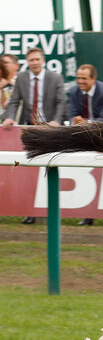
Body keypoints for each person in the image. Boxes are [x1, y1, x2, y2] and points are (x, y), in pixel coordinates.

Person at [3, 48, 67, 224]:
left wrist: (55, 121)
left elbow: (61, 102)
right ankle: (30, 212)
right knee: (28, 172)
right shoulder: (22, 78)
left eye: (37, 59)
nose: (35, 62)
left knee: (48, 169)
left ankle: (51, 211)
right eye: (31, 60)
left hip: (48, 130)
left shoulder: (56, 78)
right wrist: (9, 117)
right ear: (27, 62)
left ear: (43, 60)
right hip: (28, 128)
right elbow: (15, 100)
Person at [68, 64, 103, 227]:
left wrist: (86, 122)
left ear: (93, 79)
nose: (80, 81)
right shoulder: (73, 92)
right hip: (85, 137)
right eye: (78, 78)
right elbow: (71, 114)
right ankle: (87, 216)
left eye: (84, 78)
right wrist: (74, 121)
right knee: (85, 174)